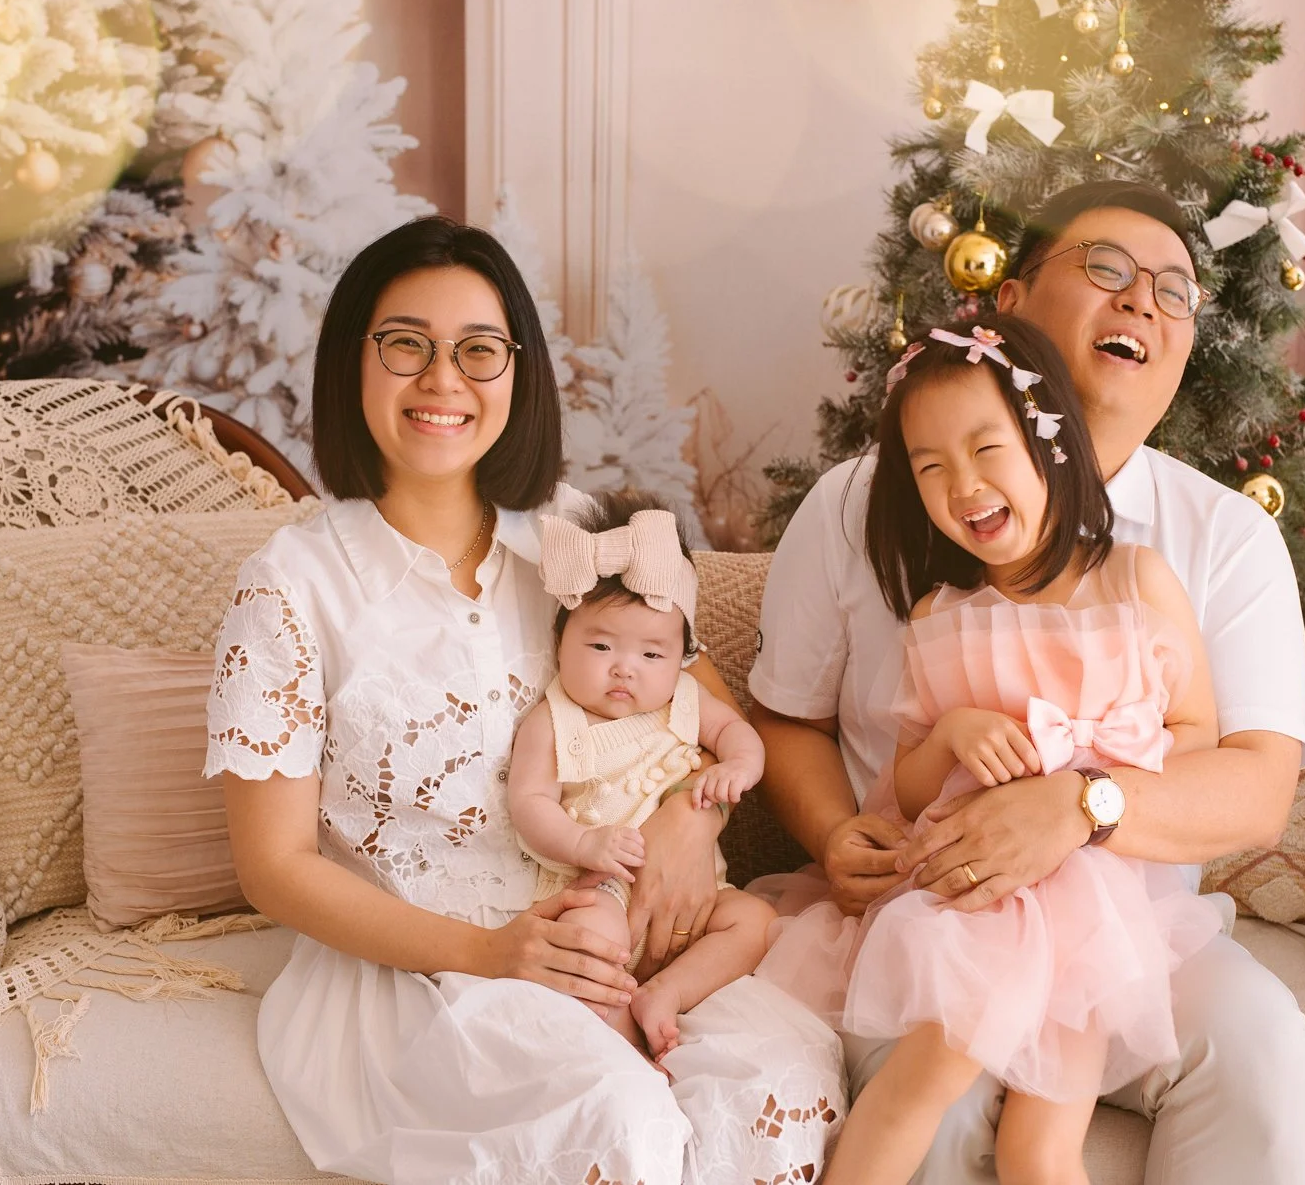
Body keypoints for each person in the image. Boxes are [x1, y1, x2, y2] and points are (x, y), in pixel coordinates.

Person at [206, 216, 841, 1185]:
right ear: (352, 365)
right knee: (614, 1121)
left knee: (771, 1082)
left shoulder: (578, 536)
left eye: (477, 349)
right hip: (420, 966)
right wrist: (489, 952)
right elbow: (275, 866)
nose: (441, 379)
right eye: (404, 343)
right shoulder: (292, 583)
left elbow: (706, 717)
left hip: (618, 931)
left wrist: (678, 817)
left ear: (518, 372)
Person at [750, 180, 1305, 1183]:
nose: (1142, 301)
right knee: (938, 1106)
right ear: (1007, 304)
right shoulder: (861, 504)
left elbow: (1255, 787)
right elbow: (784, 718)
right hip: (944, 914)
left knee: (1257, 1043)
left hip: (1128, 933)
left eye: (1173, 290)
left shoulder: (1217, 539)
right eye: (1106, 269)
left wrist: (1081, 805)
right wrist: (839, 832)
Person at [508, 490, 777, 1061]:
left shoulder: (684, 698)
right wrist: (584, 843)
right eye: (601, 644)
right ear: (561, 643)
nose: (625, 667)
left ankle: (664, 993)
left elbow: (738, 733)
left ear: (682, 654)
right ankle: (608, 1037)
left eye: (652, 654)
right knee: (593, 941)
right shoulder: (553, 719)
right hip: (598, 887)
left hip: (698, 893)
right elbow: (529, 802)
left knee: (755, 921)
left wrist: (738, 767)